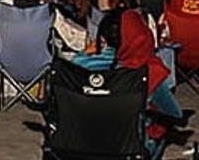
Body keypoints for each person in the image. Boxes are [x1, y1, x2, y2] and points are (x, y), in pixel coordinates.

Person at [71, 9, 184, 159]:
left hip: (83, 144)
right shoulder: (149, 72)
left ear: (103, 37)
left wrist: (83, 53)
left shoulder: (78, 66)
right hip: (128, 148)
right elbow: (174, 114)